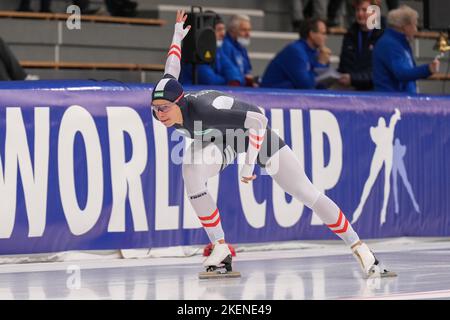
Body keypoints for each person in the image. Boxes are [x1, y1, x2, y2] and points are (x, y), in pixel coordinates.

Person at [152, 9, 396, 278]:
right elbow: (171, 68)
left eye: (163, 109)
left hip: (257, 137)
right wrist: (177, 37)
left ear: (179, 101)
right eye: (155, 110)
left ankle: (360, 248)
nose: (159, 115)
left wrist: (248, 164)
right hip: (219, 139)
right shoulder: (170, 95)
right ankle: (220, 247)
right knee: (191, 171)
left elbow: (258, 117)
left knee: (306, 193)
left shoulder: (208, 108)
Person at [373, 5, 440, 94]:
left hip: (398, 98)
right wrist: (428, 69)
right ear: (405, 26)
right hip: (393, 101)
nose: (416, 30)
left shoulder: (398, 43)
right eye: (414, 25)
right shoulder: (390, 45)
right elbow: (401, 73)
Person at [260, 18, 331, 89]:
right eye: (323, 33)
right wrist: (321, 64)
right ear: (311, 34)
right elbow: (306, 86)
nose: (325, 37)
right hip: (271, 96)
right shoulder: (295, 52)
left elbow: (321, 85)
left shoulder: (316, 52)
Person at [180, 12, 243, 86]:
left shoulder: (217, 50)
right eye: (219, 30)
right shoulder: (194, 52)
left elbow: (232, 70)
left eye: (223, 29)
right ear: (207, 32)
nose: (223, 33)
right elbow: (210, 80)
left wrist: (235, 79)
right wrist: (228, 81)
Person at [337, 0, 384, 90]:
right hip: (351, 91)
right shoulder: (350, 35)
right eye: (357, 10)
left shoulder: (383, 36)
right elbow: (343, 66)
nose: (360, 14)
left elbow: (381, 73)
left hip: (375, 93)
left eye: (364, 10)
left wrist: (353, 79)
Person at [221, 15, 254, 87]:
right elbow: (229, 73)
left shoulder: (241, 47)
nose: (248, 34)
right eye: (244, 30)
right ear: (233, 30)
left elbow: (247, 71)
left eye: (249, 30)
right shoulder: (225, 46)